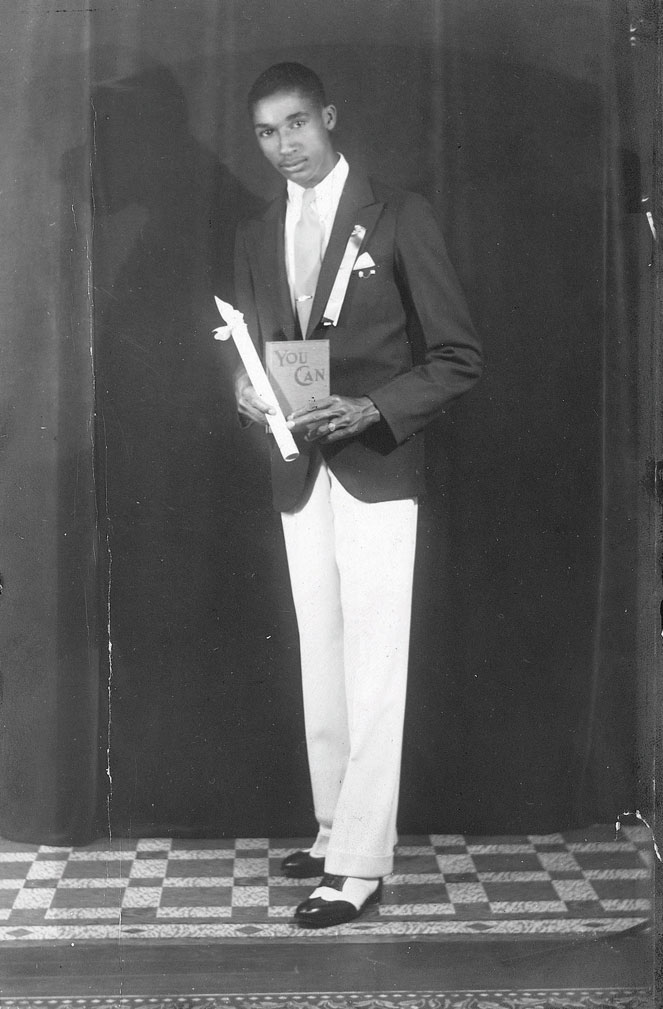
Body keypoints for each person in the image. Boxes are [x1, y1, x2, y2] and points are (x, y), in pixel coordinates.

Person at [232, 62, 482, 928]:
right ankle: (334, 825)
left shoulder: (397, 214)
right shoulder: (259, 228)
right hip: (298, 468)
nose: (283, 146)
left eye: (296, 124)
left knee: (375, 667)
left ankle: (360, 866)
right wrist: (249, 385)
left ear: (329, 118)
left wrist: (375, 405)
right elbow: (269, 348)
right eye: (266, 133)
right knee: (322, 658)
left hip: (376, 463)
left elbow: (457, 355)